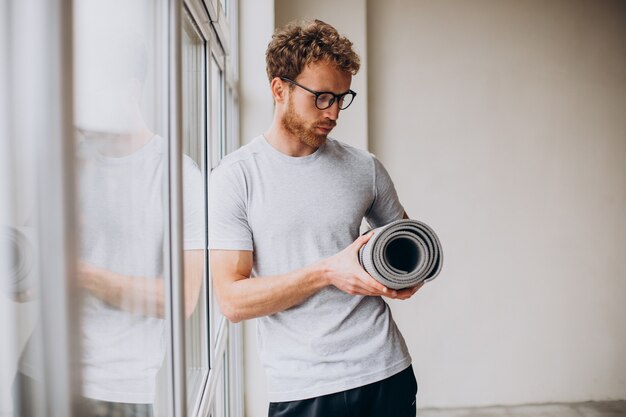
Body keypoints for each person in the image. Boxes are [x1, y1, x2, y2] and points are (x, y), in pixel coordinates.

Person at [209, 19, 423, 417]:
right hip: (304, 388)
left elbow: (407, 247)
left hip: (386, 369)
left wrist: (405, 278)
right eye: (322, 97)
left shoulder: (364, 168)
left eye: (342, 98)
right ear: (280, 89)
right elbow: (232, 301)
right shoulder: (235, 177)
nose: (334, 112)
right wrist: (327, 272)